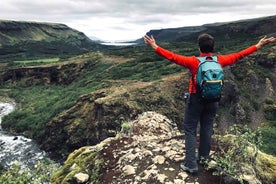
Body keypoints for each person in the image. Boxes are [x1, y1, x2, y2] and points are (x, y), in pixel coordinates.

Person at [144, 33, 275, 174]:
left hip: (195, 99)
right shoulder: (220, 60)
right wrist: (258, 45)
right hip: (213, 100)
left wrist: (154, 46)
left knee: (190, 129)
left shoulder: (193, 62)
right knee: (207, 128)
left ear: (199, 47)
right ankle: (204, 158)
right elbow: (239, 55)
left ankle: (191, 165)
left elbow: (172, 57)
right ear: (213, 47)